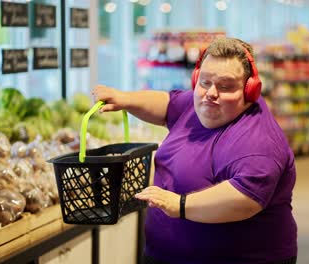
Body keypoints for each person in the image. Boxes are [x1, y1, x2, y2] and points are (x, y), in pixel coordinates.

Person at [91, 37, 297, 264]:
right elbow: (167, 104)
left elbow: (245, 200)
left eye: (226, 86)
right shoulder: (200, 105)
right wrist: (125, 99)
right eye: (205, 82)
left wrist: (179, 205)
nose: (211, 93)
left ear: (250, 90)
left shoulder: (258, 141)